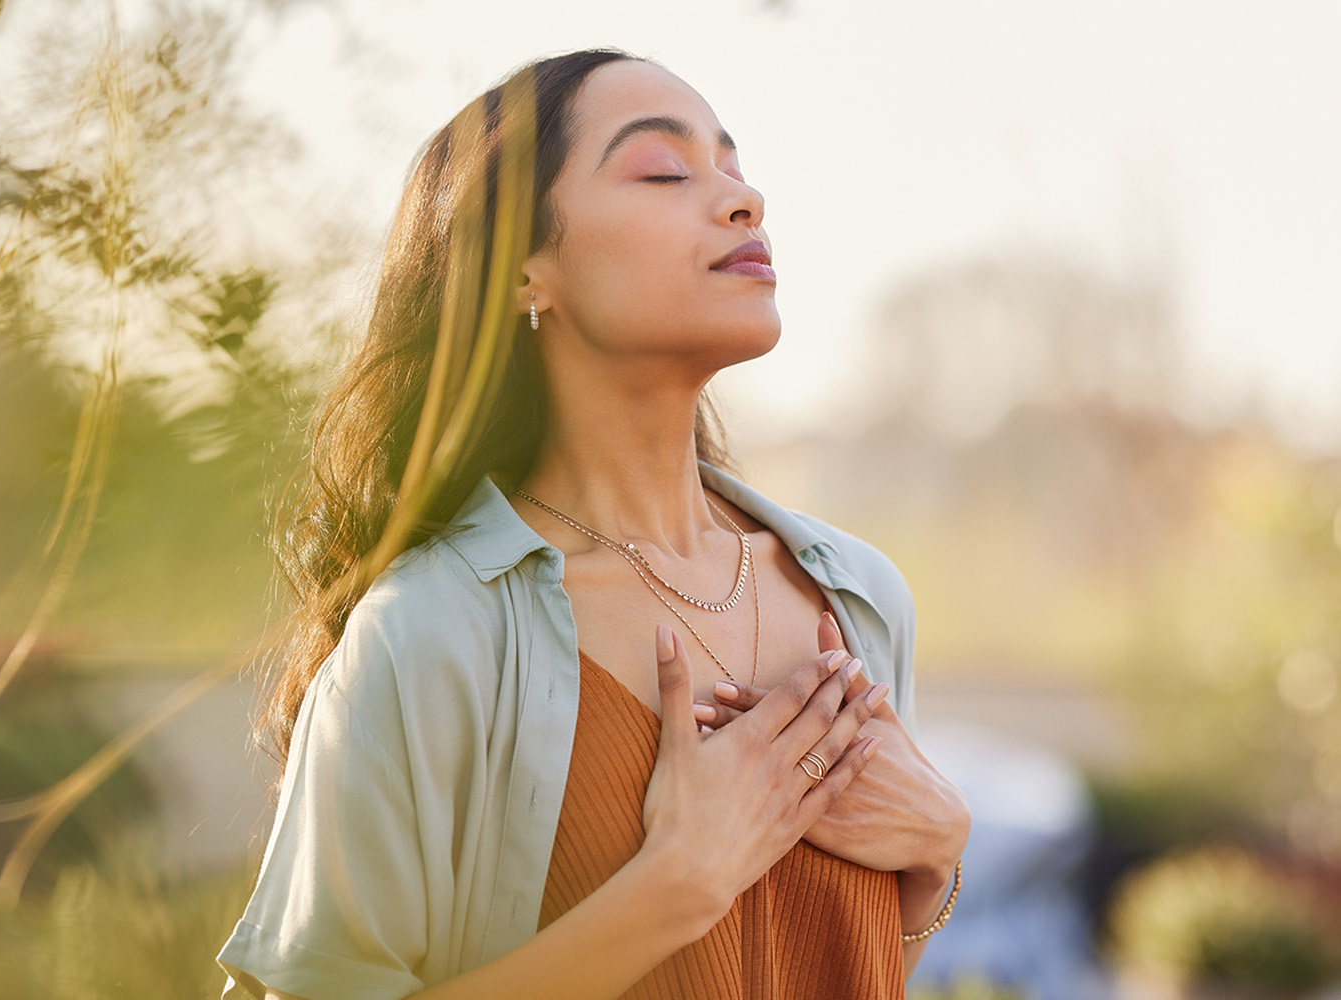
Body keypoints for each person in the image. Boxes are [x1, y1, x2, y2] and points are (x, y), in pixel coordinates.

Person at [216, 48, 970, 1000]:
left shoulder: (860, 597)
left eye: (735, 169)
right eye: (665, 171)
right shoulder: (431, 634)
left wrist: (936, 861)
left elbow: (846, 964)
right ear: (527, 272)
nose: (745, 201)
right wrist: (670, 889)